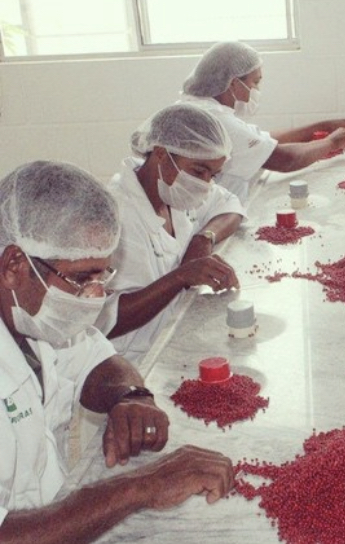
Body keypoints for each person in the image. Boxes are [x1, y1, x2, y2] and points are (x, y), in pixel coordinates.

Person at [0, 161, 233, 544]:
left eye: (101, 276)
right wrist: (140, 487)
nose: (95, 295)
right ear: (14, 266)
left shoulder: (31, 314)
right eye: (82, 278)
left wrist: (130, 396)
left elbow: (98, 360)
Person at [96, 103, 245, 364]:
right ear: (161, 154)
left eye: (213, 174)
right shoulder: (115, 216)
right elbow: (104, 320)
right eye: (199, 171)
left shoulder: (177, 190)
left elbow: (230, 204)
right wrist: (181, 276)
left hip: (175, 334)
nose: (205, 183)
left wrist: (204, 238)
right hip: (132, 359)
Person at [179, 40, 345, 205]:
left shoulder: (202, 107)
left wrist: (322, 127)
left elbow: (263, 140)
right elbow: (284, 159)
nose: (256, 90)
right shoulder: (215, 121)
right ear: (233, 83)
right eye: (254, 82)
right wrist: (332, 142)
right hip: (208, 217)